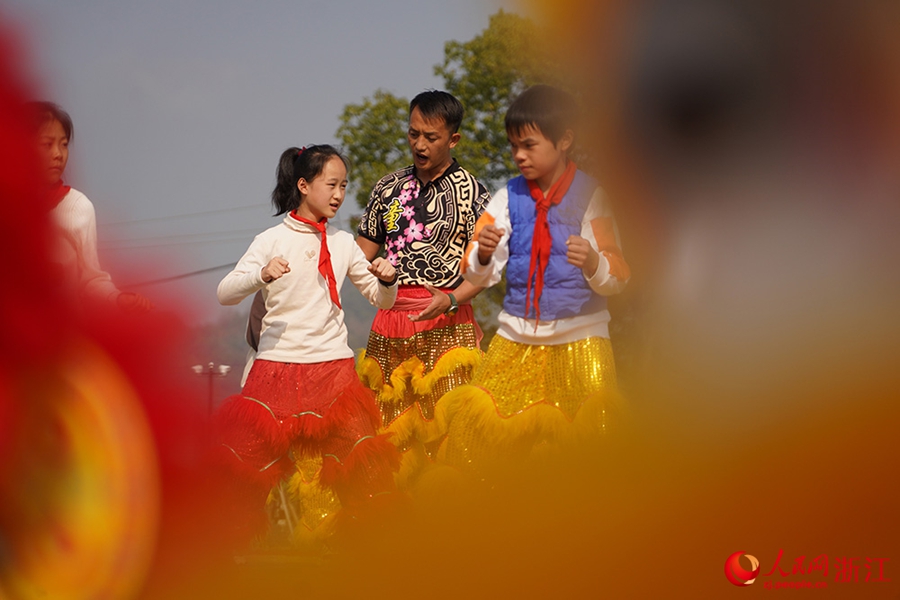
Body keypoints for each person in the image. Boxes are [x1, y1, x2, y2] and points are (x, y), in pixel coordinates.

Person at [435, 85, 630, 477]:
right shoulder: (505, 198)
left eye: (528, 145)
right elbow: (475, 271)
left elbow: (619, 274)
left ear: (564, 140)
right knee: (474, 442)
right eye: (512, 147)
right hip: (516, 340)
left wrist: (593, 262)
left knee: (586, 455)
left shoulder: (594, 196)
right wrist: (484, 253)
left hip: (581, 342)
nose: (519, 156)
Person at [215, 145, 401, 541]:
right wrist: (261, 275)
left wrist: (387, 279)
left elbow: (381, 300)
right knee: (240, 474)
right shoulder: (270, 239)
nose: (338, 195)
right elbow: (225, 293)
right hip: (274, 372)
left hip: (333, 374)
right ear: (303, 185)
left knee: (365, 468)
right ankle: (223, 561)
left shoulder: (344, 242)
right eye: (331, 184)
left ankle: (380, 558)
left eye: (344, 186)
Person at [354, 90, 492, 488]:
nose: (419, 144)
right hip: (390, 325)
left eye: (430, 137)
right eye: (413, 134)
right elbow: (359, 255)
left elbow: (482, 271)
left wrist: (450, 299)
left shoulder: (473, 194)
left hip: (447, 324)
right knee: (386, 433)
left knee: (450, 433)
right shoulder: (387, 190)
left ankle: (454, 533)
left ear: (454, 139)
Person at [29, 101, 151, 311]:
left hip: (59, 334)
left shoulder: (77, 208)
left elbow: (92, 281)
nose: (58, 154)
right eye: (47, 144)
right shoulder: (10, 209)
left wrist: (117, 299)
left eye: (64, 144)